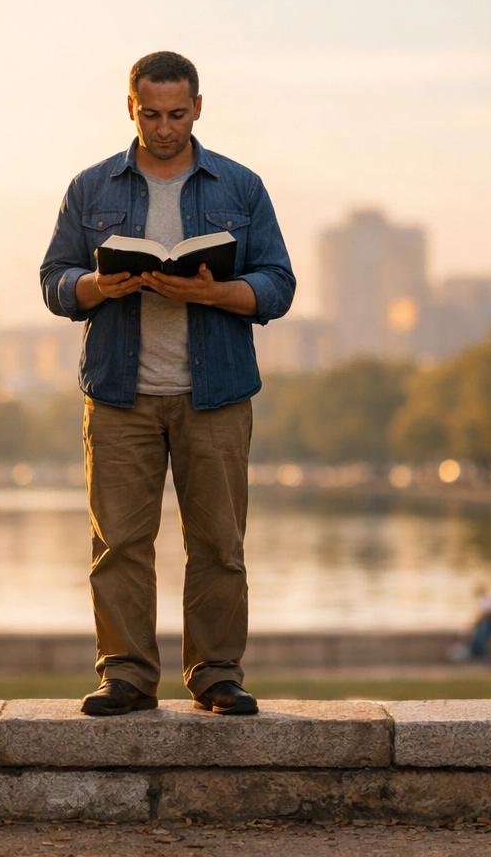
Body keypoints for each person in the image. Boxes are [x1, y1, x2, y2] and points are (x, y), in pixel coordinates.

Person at [38, 51, 296, 716]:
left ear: (199, 109)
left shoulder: (240, 187)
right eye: (150, 114)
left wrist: (215, 292)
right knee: (119, 542)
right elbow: (54, 282)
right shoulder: (91, 188)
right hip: (120, 393)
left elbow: (278, 286)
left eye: (177, 114)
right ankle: (125, 675)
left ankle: (215, 675)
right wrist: (99, 285)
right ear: (130, 108)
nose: (163, 128)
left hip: (216, 394)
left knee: (218, 544)